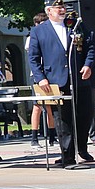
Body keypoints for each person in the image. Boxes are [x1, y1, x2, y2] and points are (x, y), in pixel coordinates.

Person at [28, 0, 95, 168]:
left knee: (84, 115)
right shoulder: (39, 31)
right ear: (48, 11)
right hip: (56, 81)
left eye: (63, 7)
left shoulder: (76, 25)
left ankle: (81, 148)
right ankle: (67, 156)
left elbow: (91, 47)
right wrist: (40, 78)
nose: (62, 10)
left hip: (80, 78)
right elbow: (33, 58)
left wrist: (89, 65)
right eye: (57, 8)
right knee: (62, 119)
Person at [26, 11, 55, 150]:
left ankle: (52, 136)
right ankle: (34, 137)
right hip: (37, 76)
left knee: (51, 105)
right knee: (37, 106)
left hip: (50, 74)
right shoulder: (33, 36)